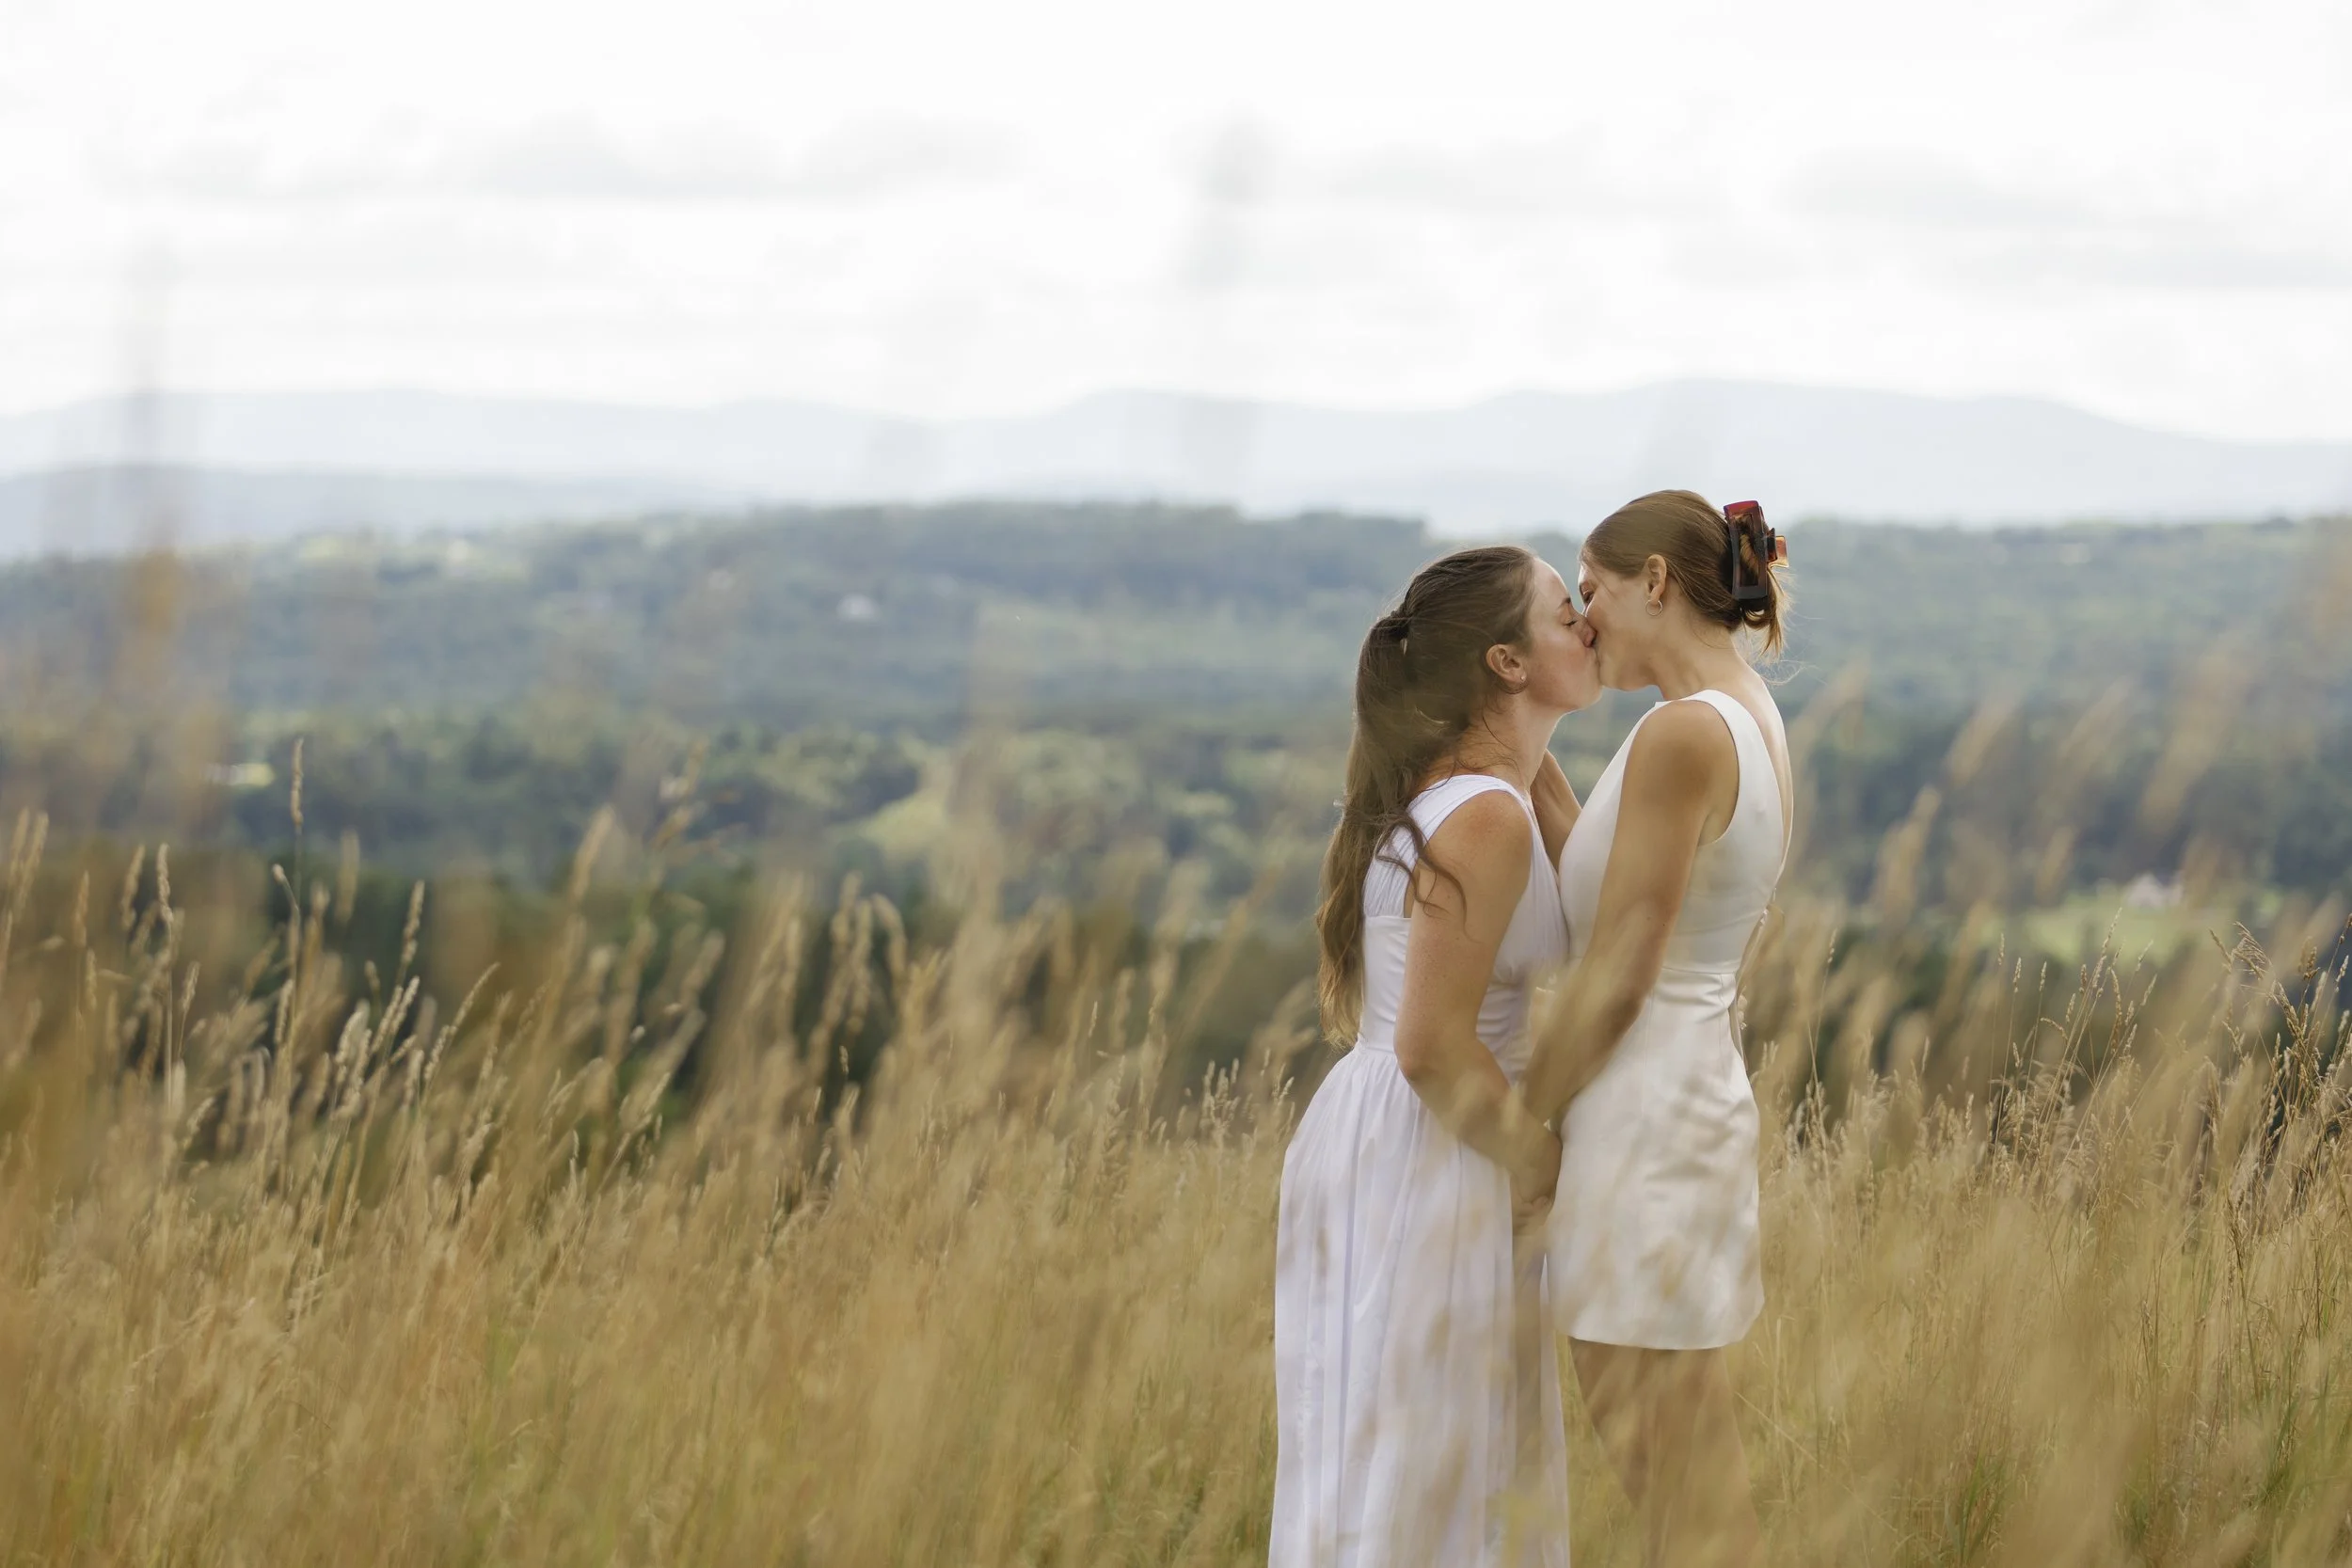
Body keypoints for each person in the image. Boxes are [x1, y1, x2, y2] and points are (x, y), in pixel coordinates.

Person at [1271, 544, 1600, 1568]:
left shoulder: (1483, 788)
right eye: (1563, 610)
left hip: (1392, 1136)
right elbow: (1430, 1045)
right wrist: (1552, 1169)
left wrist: (1531, 743)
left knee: (1388, 1455)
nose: (1588, 617)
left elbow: (1589, 893)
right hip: (1436, 1144)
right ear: (1505, 661)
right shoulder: (1486, 814)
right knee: (1435, 1467)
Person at [1523, 491, 1794, 1568]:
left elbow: (1622, 974)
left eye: (1589, 588)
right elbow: (1604, 874)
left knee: (1682, 1500)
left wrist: (1518, 1122)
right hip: (1682, 1106)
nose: (1583, 617)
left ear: (1653, 580)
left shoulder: (1685, 732)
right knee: (1688, 1487)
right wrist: (1516, 739)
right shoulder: (1734, 710)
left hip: (1643, 1129)